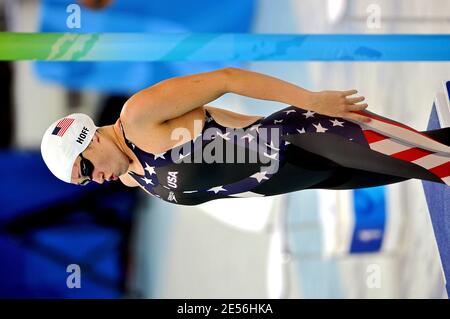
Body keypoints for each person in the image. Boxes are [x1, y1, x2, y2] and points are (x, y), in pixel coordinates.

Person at [41, 67, 450, 205]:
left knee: (442, 164)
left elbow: (227, 79)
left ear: (90, 139)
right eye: (84, 182)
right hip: (315, 176)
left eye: (87, 169)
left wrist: (311, 100)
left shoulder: (139, 116)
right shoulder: (132, 176)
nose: (95, 180)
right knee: (439, 154)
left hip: (313, 136)